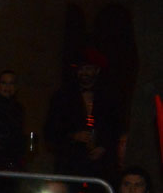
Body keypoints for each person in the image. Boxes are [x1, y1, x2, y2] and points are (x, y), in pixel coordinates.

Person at [44, 47, 123, 183]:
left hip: (101, 167)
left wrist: (103, 147)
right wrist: (74, 136)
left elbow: (116, 127)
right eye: (81, 69)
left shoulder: (109, 97)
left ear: (97, 70)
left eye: (88, 68)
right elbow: (51, 130)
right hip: (70, 164)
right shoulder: (62, 96)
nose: (84, 72)